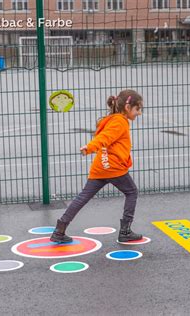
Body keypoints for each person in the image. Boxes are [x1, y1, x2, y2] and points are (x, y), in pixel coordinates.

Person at [51, 89, 144, 243]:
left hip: (101, 166)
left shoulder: (110, 119)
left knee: (83, 197)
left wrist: (91, 147)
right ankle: (125, 231)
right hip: (113, 168)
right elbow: (104, 138)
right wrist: (89, 147)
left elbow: (103, 137)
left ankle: (59, 230)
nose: (139, 113)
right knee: (132, 192)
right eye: (137, 109)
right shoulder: (120, 121)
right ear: (127, 108)